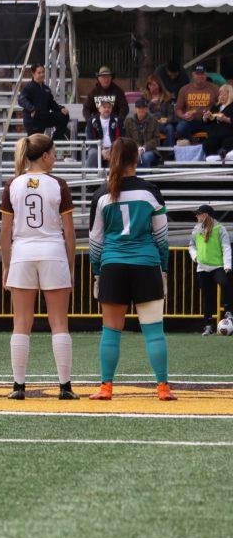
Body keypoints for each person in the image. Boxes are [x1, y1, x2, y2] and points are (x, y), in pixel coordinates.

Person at [87, 138, 174, 401]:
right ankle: (163, 388)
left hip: (113, 265)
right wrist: (164, 269)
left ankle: (106, 387)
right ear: (135, 159)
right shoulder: (150, 192)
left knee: (111, 330)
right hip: (146, 265)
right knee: (154, 330)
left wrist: (97, 272)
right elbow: (162, 238)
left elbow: (95, 242)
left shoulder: (101, 194)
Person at [0, 133, 78, 400]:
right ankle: (65, 386)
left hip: (22, 252)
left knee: (21, 323)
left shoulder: (13, 184)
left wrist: (6, 266)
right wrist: (70, 267)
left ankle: (18, 386)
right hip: (53, 251)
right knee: (59, 323)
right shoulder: (59, 185)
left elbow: (5, 231)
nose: (54, 158)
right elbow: (69, 232)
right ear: (44, 156)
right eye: (54, 154)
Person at [189, 205, 233, 335]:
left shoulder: (220, 229)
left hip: (218, 266)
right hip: (202, 268)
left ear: (206, 215)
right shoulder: (196, 229)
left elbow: (226, 247)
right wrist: (195, 257)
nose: (196, 216)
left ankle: (229, 312)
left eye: (199, 214)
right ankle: (208, 325)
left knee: (226, 284)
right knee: (207, 296)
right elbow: (191, 245)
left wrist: (227, 265)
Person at [17, 64, 69, 140]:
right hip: (33, 121)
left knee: (64, 116)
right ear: (33, 73)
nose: (42, 75)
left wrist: (61, 108)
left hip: (44, 117)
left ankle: (53, 140)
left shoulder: (46, 89)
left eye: (43, 72)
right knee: (36, 144)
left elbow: (51, 103)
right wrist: (32, 109)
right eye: (39, 73)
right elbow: (21, 100)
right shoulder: (28, 87)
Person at [175, 64, 220, 142]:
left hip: (208, 120)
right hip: (190, 121)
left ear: (206, 74)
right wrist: (183, 116)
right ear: (193, 74)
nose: (200, 76)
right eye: (197, 74)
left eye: (202, 74)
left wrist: (214, 114)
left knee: (217, 129)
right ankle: (192, 143)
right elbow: (178, 109)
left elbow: (222, 104)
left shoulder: (214, 88)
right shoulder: (184, 89)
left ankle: (209, 147)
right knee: (180, 128)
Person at [124, 98, 161, 167]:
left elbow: (156, 140)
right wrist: (137, 148)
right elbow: (127, 139)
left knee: (145, 157)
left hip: (150, 150)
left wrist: (144, 148)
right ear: (135, 109)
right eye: (139, 108)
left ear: (146, 109)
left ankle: (145, 176)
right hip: (133, 149)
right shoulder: (128, 121)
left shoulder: (153, 120)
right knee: (129, 157)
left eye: (143, 108)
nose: (141, 110)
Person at [85, 99, 121, 168]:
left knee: (118, 153)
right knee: (93, 153)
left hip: (114, 147)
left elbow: (120, 138)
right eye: (104, 107)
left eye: (109, 107)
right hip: (96, 148)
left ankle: (114, 177)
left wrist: (111, 149)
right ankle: (91, 177)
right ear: (99, 109)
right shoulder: (92, 121)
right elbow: (90, 140)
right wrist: (101, 150)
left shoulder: (117, 120)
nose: (107, 109)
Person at [201, 83, 233, 161]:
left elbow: (229, 120)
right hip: (214, 134)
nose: (221, 97)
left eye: (224, 95)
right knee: (207, 143)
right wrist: (206, 118)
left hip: (228, 133)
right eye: (220, 94)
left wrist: (226, 119)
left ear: (230, 96)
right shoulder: (216, 107)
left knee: (228, 142)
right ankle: (217, 158)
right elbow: (209, 121)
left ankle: (223, 157)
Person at [142, 74, 176, 148]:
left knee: (170, 127)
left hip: (163, 124)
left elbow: (171, 115)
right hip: (149, 124)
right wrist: (150, 104)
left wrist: (166, 120)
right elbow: (142, 114)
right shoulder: (144, 98)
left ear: (159, 85)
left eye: (154, 85)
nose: (152, 87)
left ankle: (171, 152)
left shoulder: (167, 97)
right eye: (150, 85)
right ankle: (148, 150)